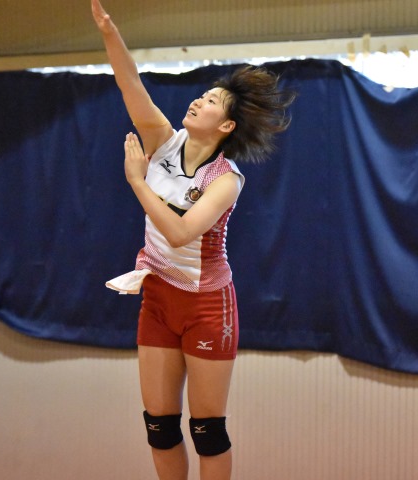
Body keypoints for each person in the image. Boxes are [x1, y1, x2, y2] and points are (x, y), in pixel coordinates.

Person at [92, 1, 294, 478]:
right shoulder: (163, 141)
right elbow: (129, 83)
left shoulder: (226, 179)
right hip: (158, 297)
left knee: (207, 431)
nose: (198, 101)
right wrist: (109, 32)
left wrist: (137, 181)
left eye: (211, 102)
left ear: (226, 126)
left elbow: (181, 231)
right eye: (201, 95)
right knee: (159, 427)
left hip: (206, 305)